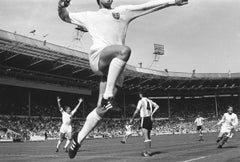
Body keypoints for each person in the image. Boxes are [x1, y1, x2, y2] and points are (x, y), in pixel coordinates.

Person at [57, 0, 188, 158]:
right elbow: (64, 16)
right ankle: (107, 95)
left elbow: (147, 7)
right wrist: (61, 5)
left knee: (101, 110)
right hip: (100, 58)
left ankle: (78, 139)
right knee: (124, 51)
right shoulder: (89, 16)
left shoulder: (123, 11)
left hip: (116, 70)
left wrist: (173, 2)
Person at [130, 92, 159, 157]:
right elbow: (157, 106)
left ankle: (147, 153)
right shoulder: (150, 101)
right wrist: (152, 114)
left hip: (144, 118)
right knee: (148, 136)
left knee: (145, 136)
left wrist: (132, 118)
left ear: (141, 95)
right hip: (149, 119)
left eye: (139, 94)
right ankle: (148, 151)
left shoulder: (141, 101)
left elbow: (137, 110)